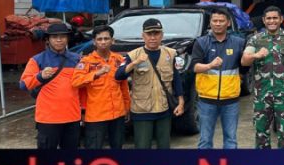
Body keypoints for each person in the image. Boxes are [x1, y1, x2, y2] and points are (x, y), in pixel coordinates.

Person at [115, 18, 184, 149]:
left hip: (164, 109)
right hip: (142, 110)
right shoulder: (133, 55)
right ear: (143, 36)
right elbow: (118, 75)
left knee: (164, 148)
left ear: (162, 35)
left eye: (156, 33)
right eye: (149, 34)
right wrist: (134, 63)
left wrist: (181, 102)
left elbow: (177, 79)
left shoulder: (171, 53)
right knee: (142, 147)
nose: (153, 37)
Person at [242, 6, 284, 149]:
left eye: (275, 18)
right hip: (261, 95)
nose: (272, 21)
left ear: (281, 19)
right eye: (268, 18)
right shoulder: (255, 40)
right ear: (263, 20)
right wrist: (256, 55)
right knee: (261, 134)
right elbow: (244, 60)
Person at [19, 23, 82, 149]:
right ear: (48, 40)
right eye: (54, 37)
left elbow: (84, 86)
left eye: (62, 36)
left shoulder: (77, 59)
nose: (59, 40)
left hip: (72, 117)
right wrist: (40, 76)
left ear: (67, 39)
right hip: (48, 119)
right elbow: (23, 84)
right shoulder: (37, 60)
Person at [191, 8, 245, 149]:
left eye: (221, 21)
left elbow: (244, 67)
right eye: (215, 21)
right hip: (206, 100)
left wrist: (252, 57)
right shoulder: (201, 42)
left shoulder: (238, 42)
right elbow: (195, 67)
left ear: (228, 23)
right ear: (210, 22)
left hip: (231, 100)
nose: (218, 24)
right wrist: (210, 65)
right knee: (205, 140)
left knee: (231, 140)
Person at [72, 25, 130, 149]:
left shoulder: (119, 59)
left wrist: (126, 107)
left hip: (117, 113)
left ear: (112, 41)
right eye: (99, 39)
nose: (103, 42)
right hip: (96, 116)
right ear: (94, 42)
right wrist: (95, 74)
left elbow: (124, 85)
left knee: (118, 147)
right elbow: (76, 82)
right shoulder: (86, 61)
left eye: (106, 38)